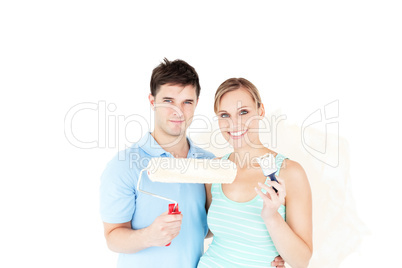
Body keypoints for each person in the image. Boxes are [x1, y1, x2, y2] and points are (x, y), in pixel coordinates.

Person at [100, 59, 286, 268]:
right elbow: (112, 237)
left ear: (196, 103)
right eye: (168, 101)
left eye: (187, 102)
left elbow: (212, 224)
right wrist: (148, 236)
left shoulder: (210, 165)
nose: (178, 111)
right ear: (152, 101)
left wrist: (264, 253)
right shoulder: (125, 165)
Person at [198, 78, 313, 268]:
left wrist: (272, 217)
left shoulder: (290, 172)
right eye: (224, 115)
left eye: (243, 112)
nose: (234, 123)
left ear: (261, 111)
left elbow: (301, 261)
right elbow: (207, 230)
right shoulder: (215, 168)